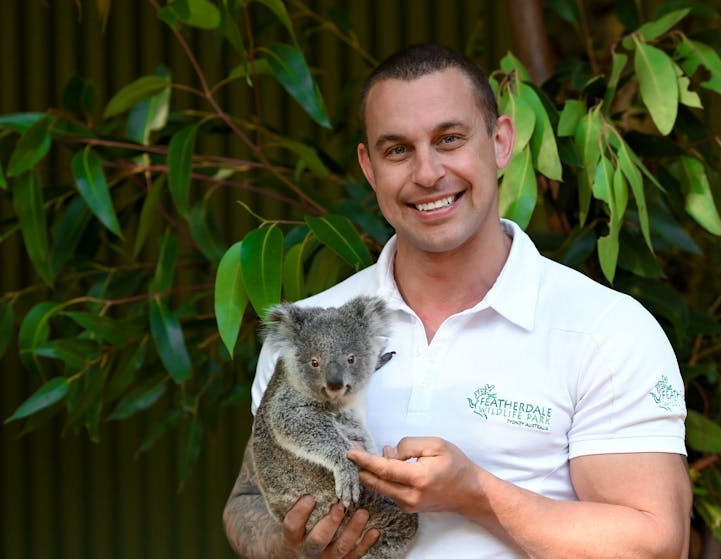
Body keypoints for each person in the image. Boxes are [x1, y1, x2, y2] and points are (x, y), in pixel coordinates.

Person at [222, 44, 692, 558]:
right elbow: (248, 499)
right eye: (397, 149)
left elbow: (657, 546)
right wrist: (291, 548)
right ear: (369, 167)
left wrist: (476, 495)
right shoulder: (312, 330)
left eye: (449, 139)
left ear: (501, 141)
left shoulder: (602, 330)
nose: (427, 173)